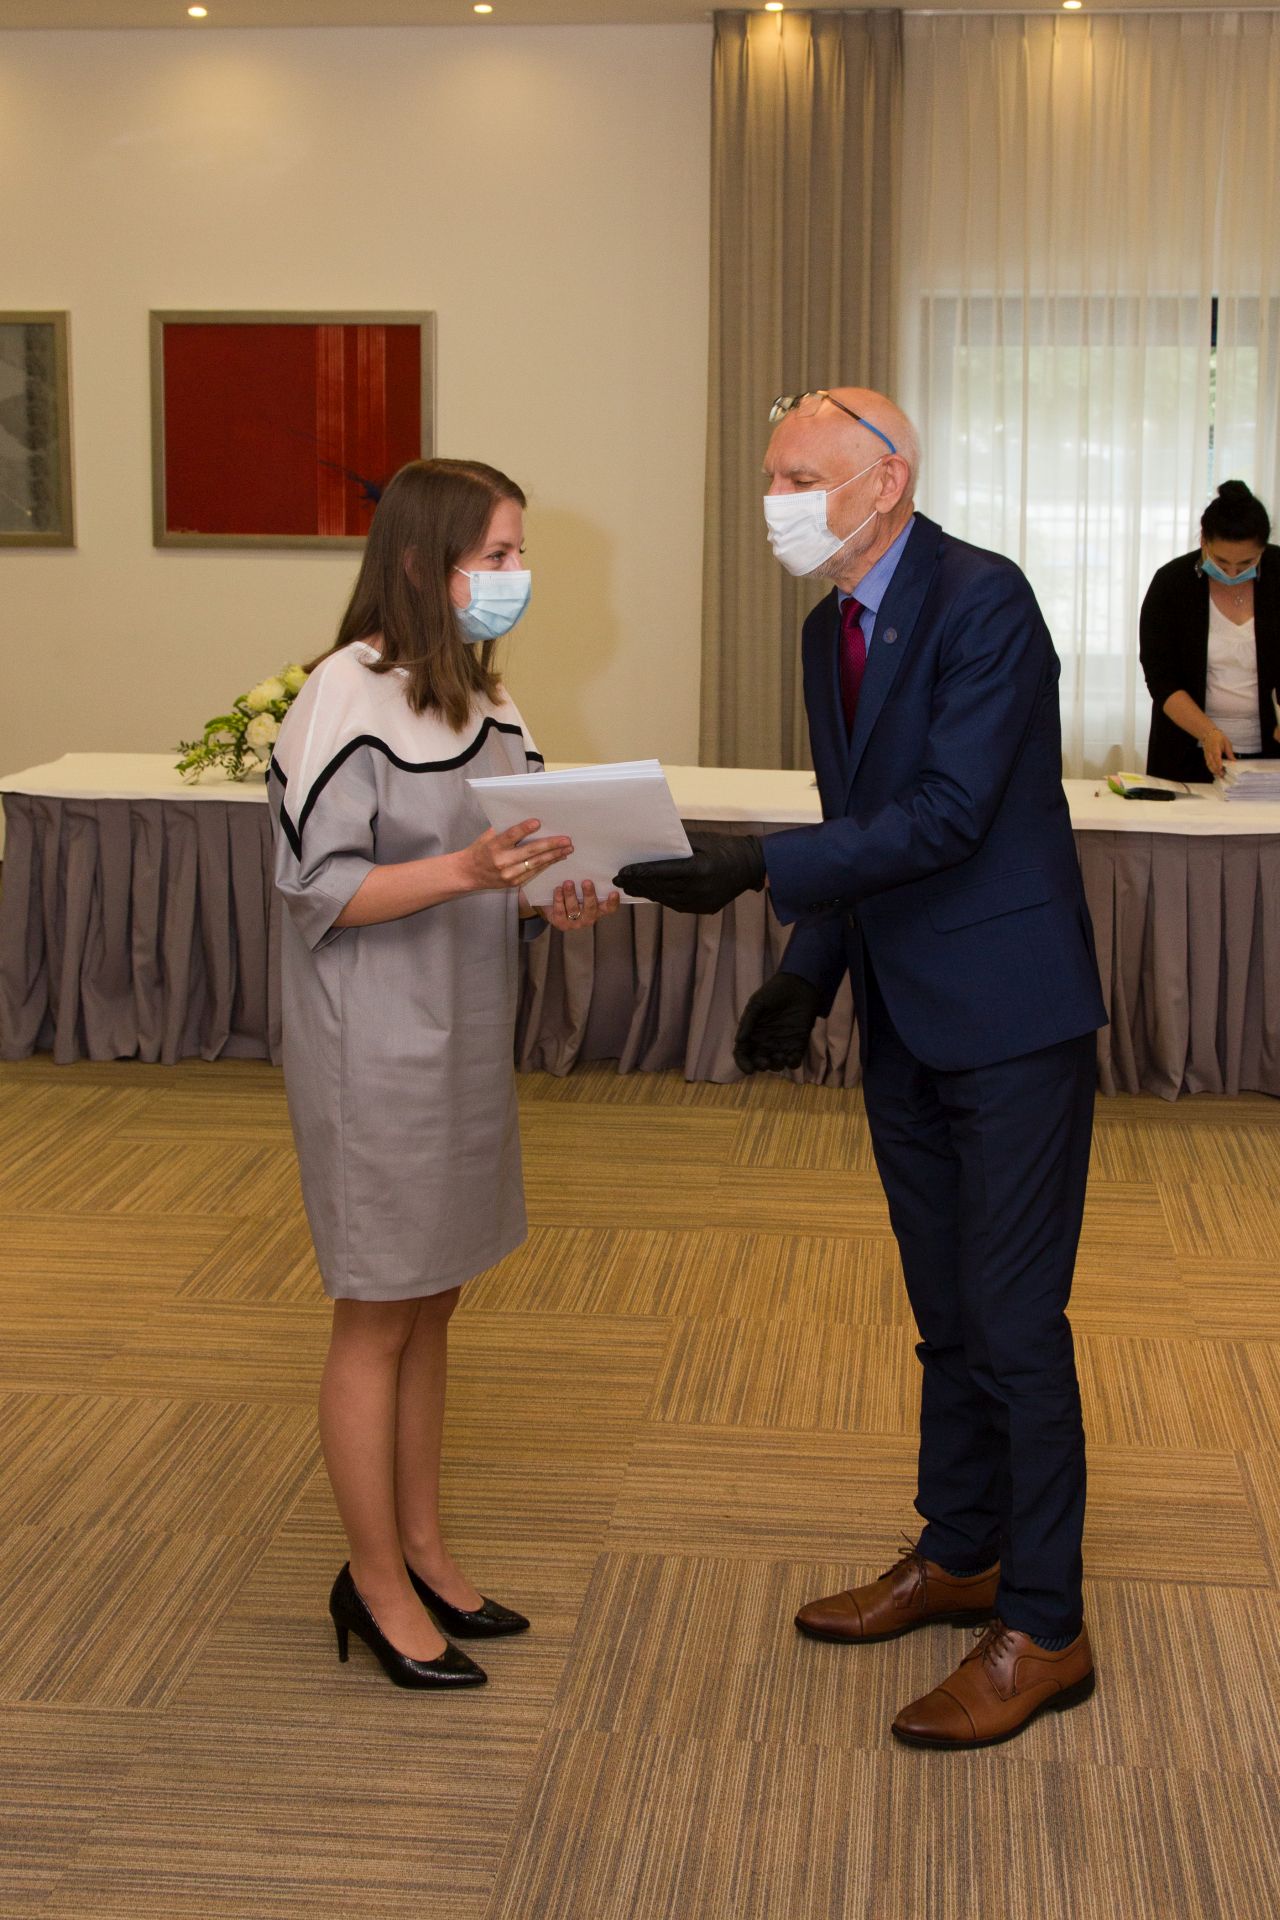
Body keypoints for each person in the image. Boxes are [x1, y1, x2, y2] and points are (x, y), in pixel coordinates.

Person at [618, 388, 1107, 1751]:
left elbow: (945, 816)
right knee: (945, 1311)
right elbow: (864, 823)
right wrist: (808, 972)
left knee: (1014, 1326)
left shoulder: (982, 600)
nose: (774, 500)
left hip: (1009, 1017)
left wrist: (754, 867)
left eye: (799, 477)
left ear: (885, 482)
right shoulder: (822, 626)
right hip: (905, 1014)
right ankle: (960, 1552)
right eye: (770, 477)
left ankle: (1046, 1626)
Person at [270, 458, 617, 1690]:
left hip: (465, 1032)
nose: (518, 576)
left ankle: (421, 1547)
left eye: (520, 554)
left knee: (435, 1299)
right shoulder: (343, 692)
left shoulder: (487, 695)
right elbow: (318, 888)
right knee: (376, 1312)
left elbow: (506, 863)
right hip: (371, 1042)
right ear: (423, 562)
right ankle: (371, 1581)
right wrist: (470, 874)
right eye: (499, 556)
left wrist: (548, 896)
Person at [1140, 480, 1280, 780]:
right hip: (1186, 752)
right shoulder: (1172, 583)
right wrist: (1207, 732)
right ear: (1204, 540)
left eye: (1246, 563)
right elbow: (1161, 678)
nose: (1233, 573)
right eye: (1221, 562)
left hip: (1271, 756)